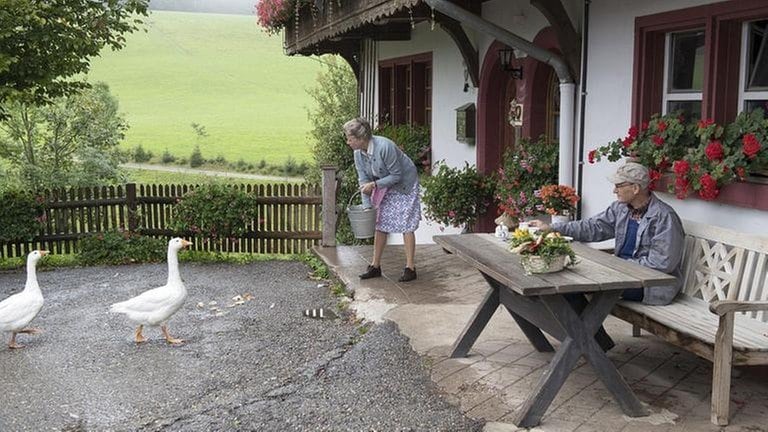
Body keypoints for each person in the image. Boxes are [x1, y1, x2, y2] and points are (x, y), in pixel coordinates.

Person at [530, 161, 685, 305]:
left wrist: (616, 265)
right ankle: (589, 334)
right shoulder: (621, 208)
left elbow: (661, 263)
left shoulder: (664, 217)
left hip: (650, 285)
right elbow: (593, 227)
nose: (614, 190)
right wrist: (553, 228)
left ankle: (586, 333)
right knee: (566, 282)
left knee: (572, 286)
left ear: (635, 188)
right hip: (620, 275)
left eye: (618, 185)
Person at [344, 117, 421, 283]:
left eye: (350, 138)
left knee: (406, 223)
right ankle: (375, 266)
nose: (347, 142)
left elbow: (396, 175)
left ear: (361, 138)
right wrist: (367, 207)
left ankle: (410, 267)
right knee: (380, 222)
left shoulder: (385, 147)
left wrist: (374, 184)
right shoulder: (358, 153)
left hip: (404, 183)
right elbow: (362, 180)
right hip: (384, 184)